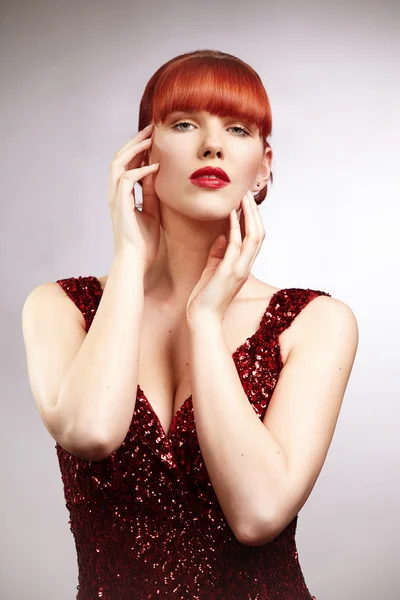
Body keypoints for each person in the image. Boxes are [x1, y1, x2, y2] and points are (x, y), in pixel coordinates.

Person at [22, 49, 358, 599]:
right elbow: (92, 431)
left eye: (238, 128)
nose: (213, 145)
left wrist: (204, 321)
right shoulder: (59, 307)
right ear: (141, 150)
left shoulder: (315, 323)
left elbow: (258, 514)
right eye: (183, 124)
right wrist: (129, 258)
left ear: (265, 165)